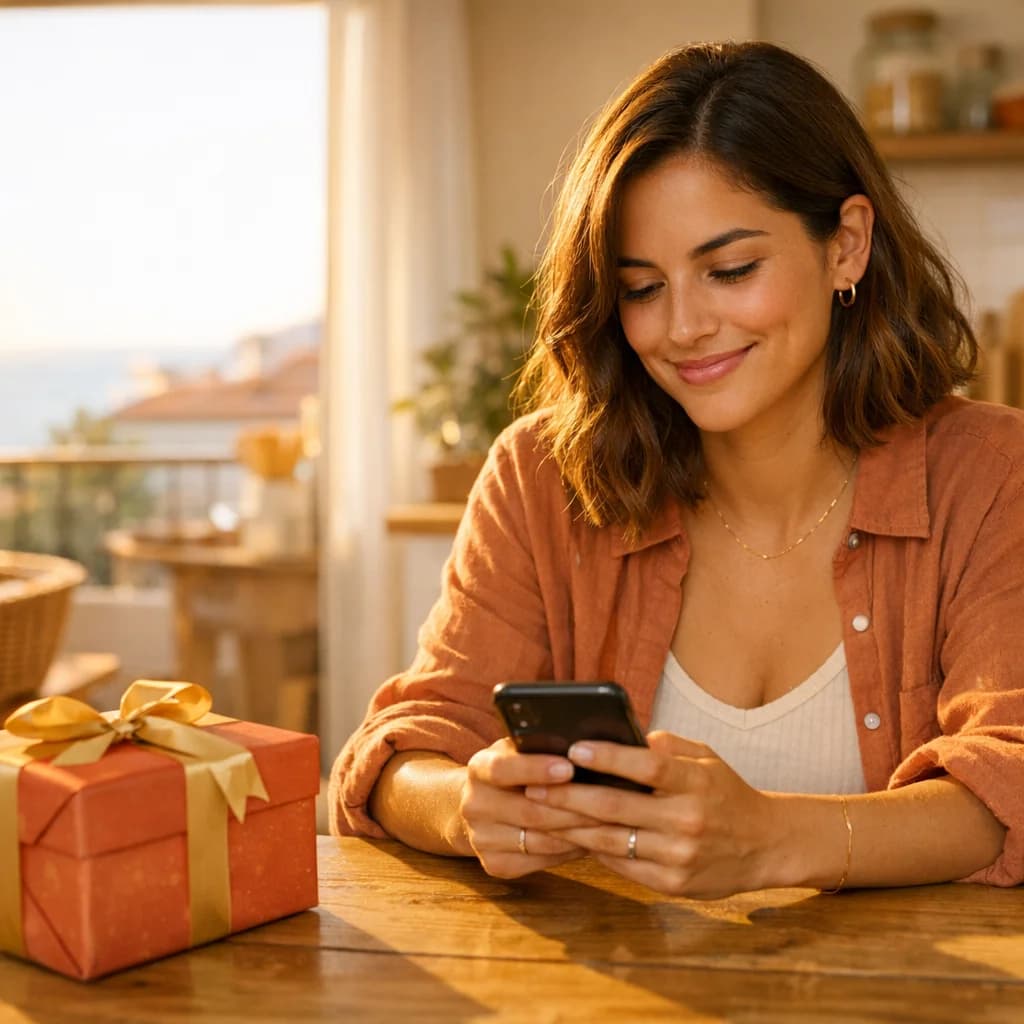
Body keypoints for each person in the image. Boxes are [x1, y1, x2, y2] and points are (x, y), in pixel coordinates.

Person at [329, 41, 1024, 897]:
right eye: (642, 288)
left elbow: (1010, 777)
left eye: (729, 270)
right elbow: (401, 750)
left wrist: (771, 841)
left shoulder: (992, 474)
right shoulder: (542, 479)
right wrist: (467, 807)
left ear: (846, 246)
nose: (684, 327)